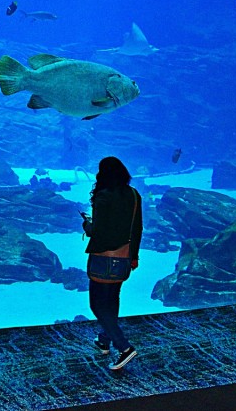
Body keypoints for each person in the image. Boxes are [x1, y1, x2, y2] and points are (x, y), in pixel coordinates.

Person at [82, 157, 143, 370]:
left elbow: (99, 232)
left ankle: (124, 347)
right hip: (124, 256)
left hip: (103, 258)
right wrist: (133, 256)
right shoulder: (134, 195)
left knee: (97, 304)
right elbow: (137, 229)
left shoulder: (103, 196)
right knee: (112, 299)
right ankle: (104, 339)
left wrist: (88, 226)